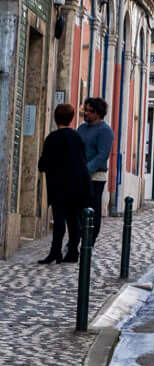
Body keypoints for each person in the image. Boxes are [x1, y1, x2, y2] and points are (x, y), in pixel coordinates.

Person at [39, 103, 91, 263]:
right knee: (73, 220)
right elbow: (83, 160)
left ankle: (55, 252)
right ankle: (73, 252)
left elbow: (43, 164)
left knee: (59, 219)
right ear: (71, 119)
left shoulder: (52, 138)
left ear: (55, 118)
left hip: (58, 185)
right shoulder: (77, 137)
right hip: (76, 185)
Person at [78, 97, 113, 236]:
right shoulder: (81, 128)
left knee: (93, 209)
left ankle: (90, 240)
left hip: (95, 177)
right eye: (84, 110)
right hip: (80, 175)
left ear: (98, 113)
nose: (85, 113)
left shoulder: (105, 130)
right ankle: (77, 238)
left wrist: (86, 170)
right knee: (78, 209)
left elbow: (102, 155)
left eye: (89, 111)